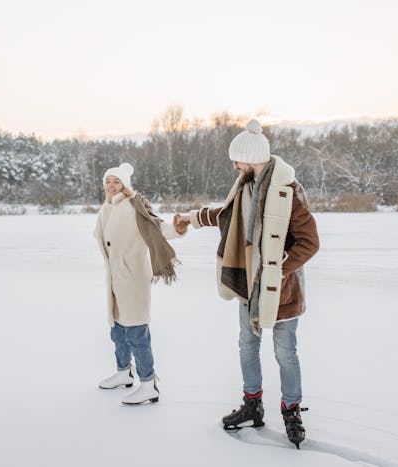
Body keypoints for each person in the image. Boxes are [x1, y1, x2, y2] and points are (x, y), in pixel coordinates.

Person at [175, 120, 319, 448]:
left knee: (285, 352)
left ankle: (291, 410)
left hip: (282, 291)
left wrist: (277, 270)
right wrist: (192, 218)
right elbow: (226, 215)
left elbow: (309, 242)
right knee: (247, 346)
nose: (234, 166)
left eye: (237, 160)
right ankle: (253, 405)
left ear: (252, 158)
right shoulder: (243, 185)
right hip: (246, 284)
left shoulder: (288, 191)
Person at [94, 162, 188, 405]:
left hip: (133, 278)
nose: (111, 185)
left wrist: (176, 229)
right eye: (107, 181)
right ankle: (124, 373)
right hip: (114, 280)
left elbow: (158, 228)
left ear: (125, 185)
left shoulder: (134, 206)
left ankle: (148, 384)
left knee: (136, 331)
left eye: (116, 181)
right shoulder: (105, 209)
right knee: (118, 330)